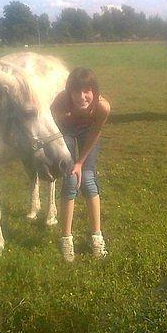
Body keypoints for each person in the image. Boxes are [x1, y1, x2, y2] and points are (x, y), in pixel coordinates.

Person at [50, 67, 110, 262]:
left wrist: (80, 163)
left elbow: (94, 134)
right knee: (70, 178)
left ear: (94, 90)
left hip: (88, 133)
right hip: (66, 132)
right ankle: (66, 239)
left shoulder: (102, 107)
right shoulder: (60, 101)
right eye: (76, 91)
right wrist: (64, 118)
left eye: (87, 91)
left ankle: (96, 238)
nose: (82, 97)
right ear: (69, 91)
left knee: (88, 178)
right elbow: (51, 124)